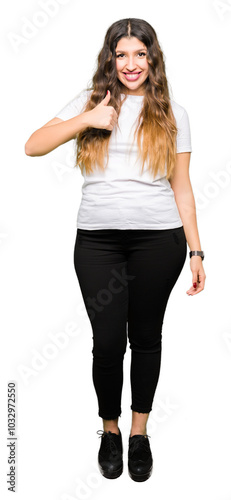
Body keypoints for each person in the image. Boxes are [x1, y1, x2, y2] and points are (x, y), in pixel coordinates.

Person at [25, 17, 206, 482]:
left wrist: (196, 251)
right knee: (107, 343)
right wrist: (87, 120)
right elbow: (32, 145)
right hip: (99, 244)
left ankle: (140, 434)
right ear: (111, 58)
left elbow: (181, 187)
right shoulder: (90, 101)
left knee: (146, 338)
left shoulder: (173, 114)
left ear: (153, 59)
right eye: (122, 54)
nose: (131, 64)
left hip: (158, 242)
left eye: (140, 54)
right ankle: (109, 430)